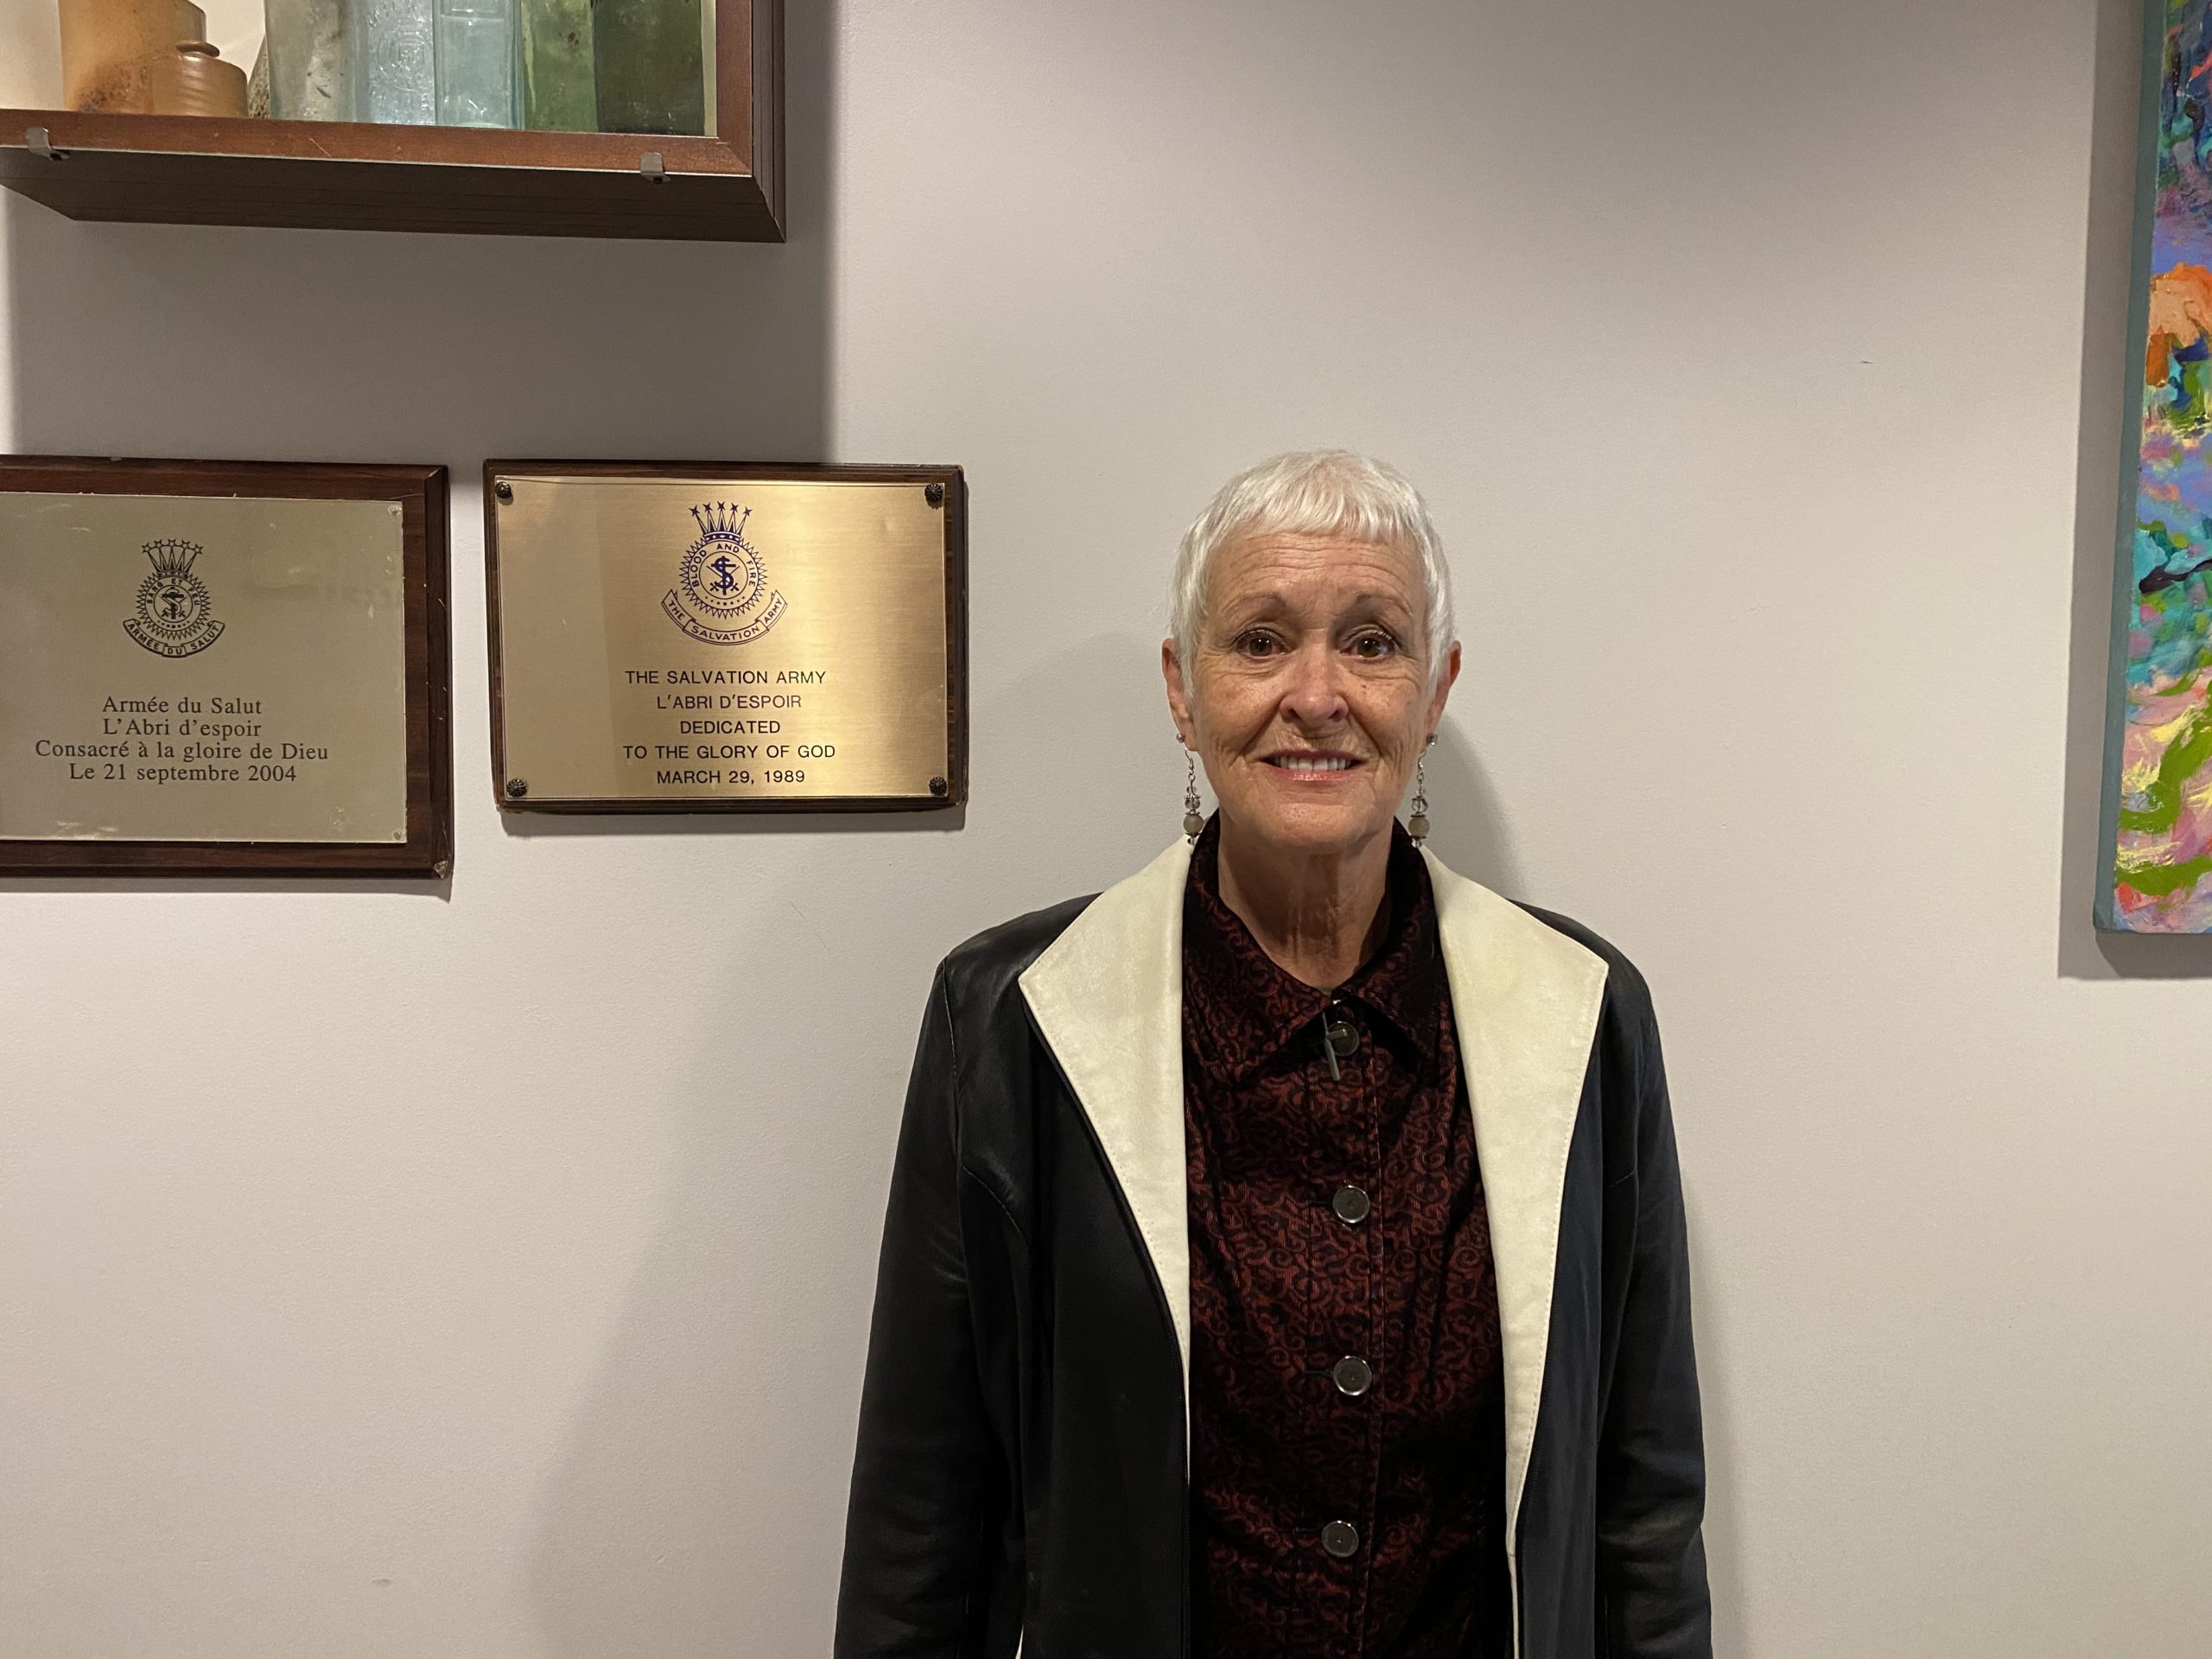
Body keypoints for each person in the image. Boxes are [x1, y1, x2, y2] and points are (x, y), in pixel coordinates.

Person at [834, 451, 1710, 1659]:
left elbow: (1642, 1508)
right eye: (1258, 641)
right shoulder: (1014, 1020)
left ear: (1437, 688)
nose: (1318, 693)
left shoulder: (1585, 1015)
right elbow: (926, 1520)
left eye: (1373, 640)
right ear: (1181, 692)